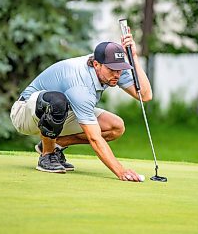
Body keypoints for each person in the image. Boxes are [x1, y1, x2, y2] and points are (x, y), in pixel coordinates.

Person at [10, 30, 152, 182]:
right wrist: (121, 171)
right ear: (96, 64)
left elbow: (145, 95)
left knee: (116, 127)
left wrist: (134, 58)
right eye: (112, 70)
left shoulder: (113, 69)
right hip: (25, 113)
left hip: (62, 113)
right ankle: (47, 156)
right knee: (57, 101)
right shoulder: (80, 85)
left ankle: (54, 144)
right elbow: (94, 137)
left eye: (120, 69)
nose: (117, 74)